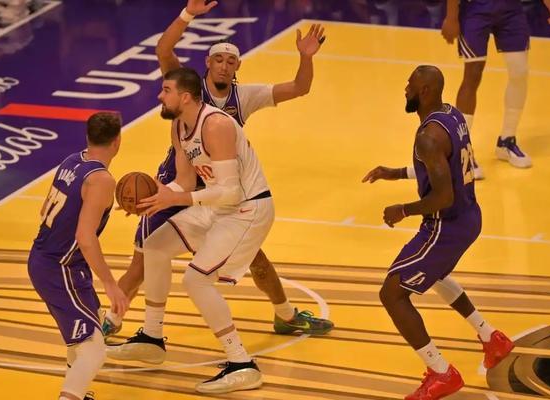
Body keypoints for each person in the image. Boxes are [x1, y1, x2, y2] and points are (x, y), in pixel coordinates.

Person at [102, 0, 333, 338]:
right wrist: (188, 14)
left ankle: (286, 315)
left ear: (237, 67)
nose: (224, 66)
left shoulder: (245, 97)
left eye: (231, 61)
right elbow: (164, 49)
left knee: (256, 259)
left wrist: (306, 58)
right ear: (207, 63)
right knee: (143, 261)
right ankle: (109, 322)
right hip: (177, 183)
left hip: (218, 191)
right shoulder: (187, 89)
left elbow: (300, 88)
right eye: (219, 59)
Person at [107, 67, 275, 394]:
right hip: (218, 206)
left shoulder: (216, 125)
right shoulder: (179, 125)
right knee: (154, 247)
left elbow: (231, 191)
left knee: (196, 280)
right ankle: (152, 338)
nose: (160, 96)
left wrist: (177, 198)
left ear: (185, 97)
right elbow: (184, 181)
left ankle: (242, 363)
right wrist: (154, 197)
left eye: (166, 90)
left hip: (248, 209)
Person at [362, 66, 514, 399]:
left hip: (446, 225)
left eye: (410, 85)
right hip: (470, 215)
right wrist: (396, 172)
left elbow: (443, 195)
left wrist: (402, 210)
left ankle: (441, 372)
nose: (405, 90)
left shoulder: (427, 137)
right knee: (435, 274)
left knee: (392, 294)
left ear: (425, 91)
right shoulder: (452, 115)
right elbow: (445, 166)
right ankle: (491, 338)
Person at [28, 112, 129, 400]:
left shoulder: (72, 160)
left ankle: (77, 393)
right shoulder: (101, 180)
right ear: (117, 141)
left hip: (47, 258)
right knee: (94, 349)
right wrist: (110, 283)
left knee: (83, 335)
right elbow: (85, 238)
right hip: (59, 267)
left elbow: (45, 210)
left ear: (88, 137)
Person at [441, 0, 550, 178]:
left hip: (510, 9)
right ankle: (462, 150)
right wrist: (451, 17)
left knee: (520, 72)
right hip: (475, 8)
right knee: (473, 74)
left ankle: (507, 140)